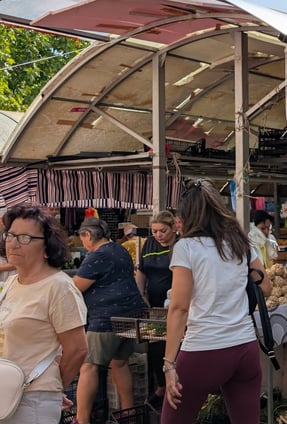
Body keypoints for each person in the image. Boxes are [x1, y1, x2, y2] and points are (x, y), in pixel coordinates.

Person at [162, 178, 271, 424]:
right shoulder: (240, 243)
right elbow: (266, 287)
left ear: (187, 214)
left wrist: (169, 365)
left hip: (204, 349)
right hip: (245, 348)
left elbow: (179, 308)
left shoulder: (186, 248)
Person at [0, 204, 88, 424]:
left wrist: (52, 386)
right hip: (6, 391)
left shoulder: (58, 287)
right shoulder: (12, 282)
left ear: (47, 246)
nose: (13, 243)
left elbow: (77, 349)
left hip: (33, 398)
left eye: (25, 238)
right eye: (10, 235)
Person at [73, 217, 148, 424]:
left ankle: (82, 420)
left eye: (83, 239)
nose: (84, 245)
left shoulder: (97, 255)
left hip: (106, 319)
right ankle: (129, 415)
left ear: (88, 235)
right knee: (119, 363)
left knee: (89, 367)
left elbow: (75, 288)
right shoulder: (119, 249)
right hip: (131, 316)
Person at [135, 210, 178, 412]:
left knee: (174, 346)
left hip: (176, 306)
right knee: (155, 348)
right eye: (155, 231)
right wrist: (140, 294)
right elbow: (142, 270)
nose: (158, 235)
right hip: (153, 307)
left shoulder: (180, 246)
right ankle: (161, 388)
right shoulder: (149, 244)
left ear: (173, 229)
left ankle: (175, 387)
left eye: (163, 231)